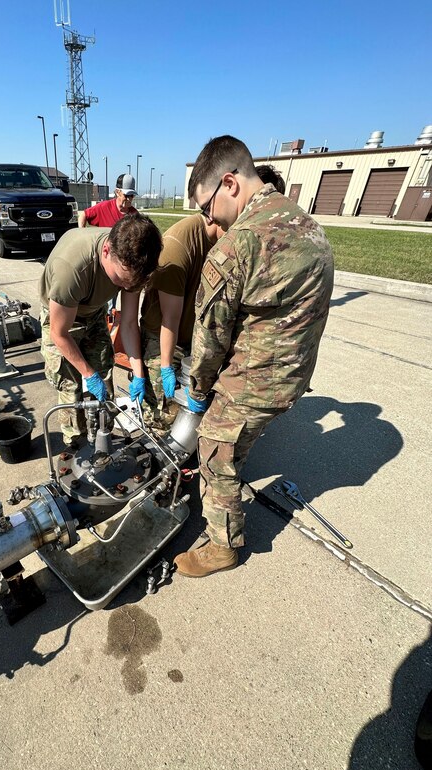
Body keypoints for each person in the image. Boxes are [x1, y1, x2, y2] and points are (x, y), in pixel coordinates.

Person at [174, 135, 334, 578]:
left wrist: (199, 393)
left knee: (213, 449)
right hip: (296, 373)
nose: (207, 218)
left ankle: (223, 546)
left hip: (258, 379)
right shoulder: (307, 225)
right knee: (237, 436)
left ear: (229, 183)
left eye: (206, 207)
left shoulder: (235, 247)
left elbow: (208, 342)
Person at [40, 213, 162, 445]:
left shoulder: (133, 265)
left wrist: (138, 373)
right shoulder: (72, 268)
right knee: (70, 385)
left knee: (104, 375)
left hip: (94, 313)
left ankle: (104, 435)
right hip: (62, 317)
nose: (127, 287)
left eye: (132, 284)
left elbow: (127, 323)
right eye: (121, 280)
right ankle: (75, 443)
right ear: (106, 251)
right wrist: (87, 373)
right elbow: (59, 333)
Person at [139, 213, 222, 426]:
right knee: (161, 410)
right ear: (215, 216)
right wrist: (166, 367)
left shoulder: (219, 239)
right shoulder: (177, 247)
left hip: (189, 334)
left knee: (184, 406)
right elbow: (170, 318)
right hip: (162, 337)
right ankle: (156, 450)